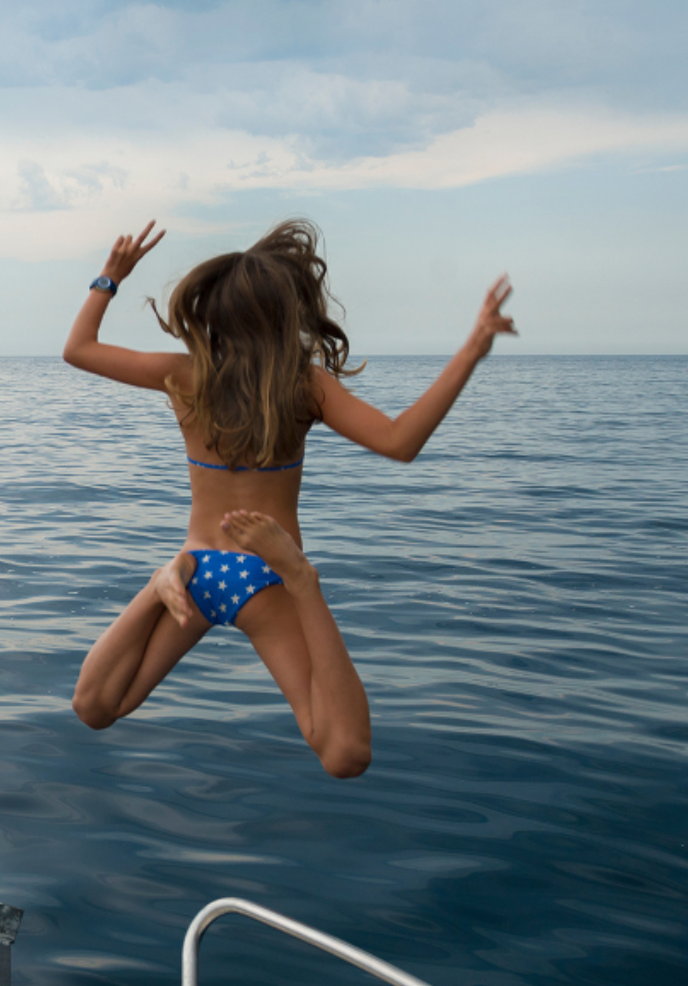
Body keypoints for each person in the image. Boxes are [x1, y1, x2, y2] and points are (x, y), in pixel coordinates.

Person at [62, 219, 516, 778]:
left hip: (196, 568)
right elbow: (401, 443)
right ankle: (303, 580)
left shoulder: (184, 376)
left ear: (217, 313)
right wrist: (471, 350)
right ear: (286, 315)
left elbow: (78, 349)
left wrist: (110, 276)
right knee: (344, 754)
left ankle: (161, 582)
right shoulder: (306, 386)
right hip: (270, 574)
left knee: (96, 707)